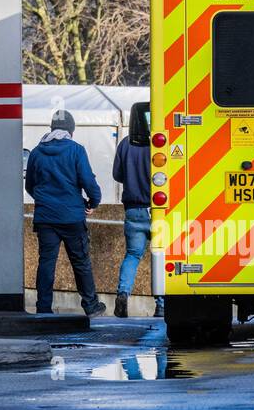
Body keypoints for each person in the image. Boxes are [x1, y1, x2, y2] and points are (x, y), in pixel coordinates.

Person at [25, 109, 106, 317]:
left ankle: (43, 308)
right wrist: (93, 201)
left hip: (46, 217)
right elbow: (88, 181)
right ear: (71, 129)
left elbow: (30, 185)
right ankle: (90, 305)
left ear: (52, 128)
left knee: (46, 262)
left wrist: (44, 200)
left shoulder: (36, 152)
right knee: (80, 261)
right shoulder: (76, 150)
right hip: (72, 216)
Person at [114, 102, 162, 318]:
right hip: (159, 211)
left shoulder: (125, 144)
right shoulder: (160, 144)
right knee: (161, 256)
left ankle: (123, 294)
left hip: (133, 210)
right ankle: (162, 304)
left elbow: (117, 175)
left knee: (133, 255)